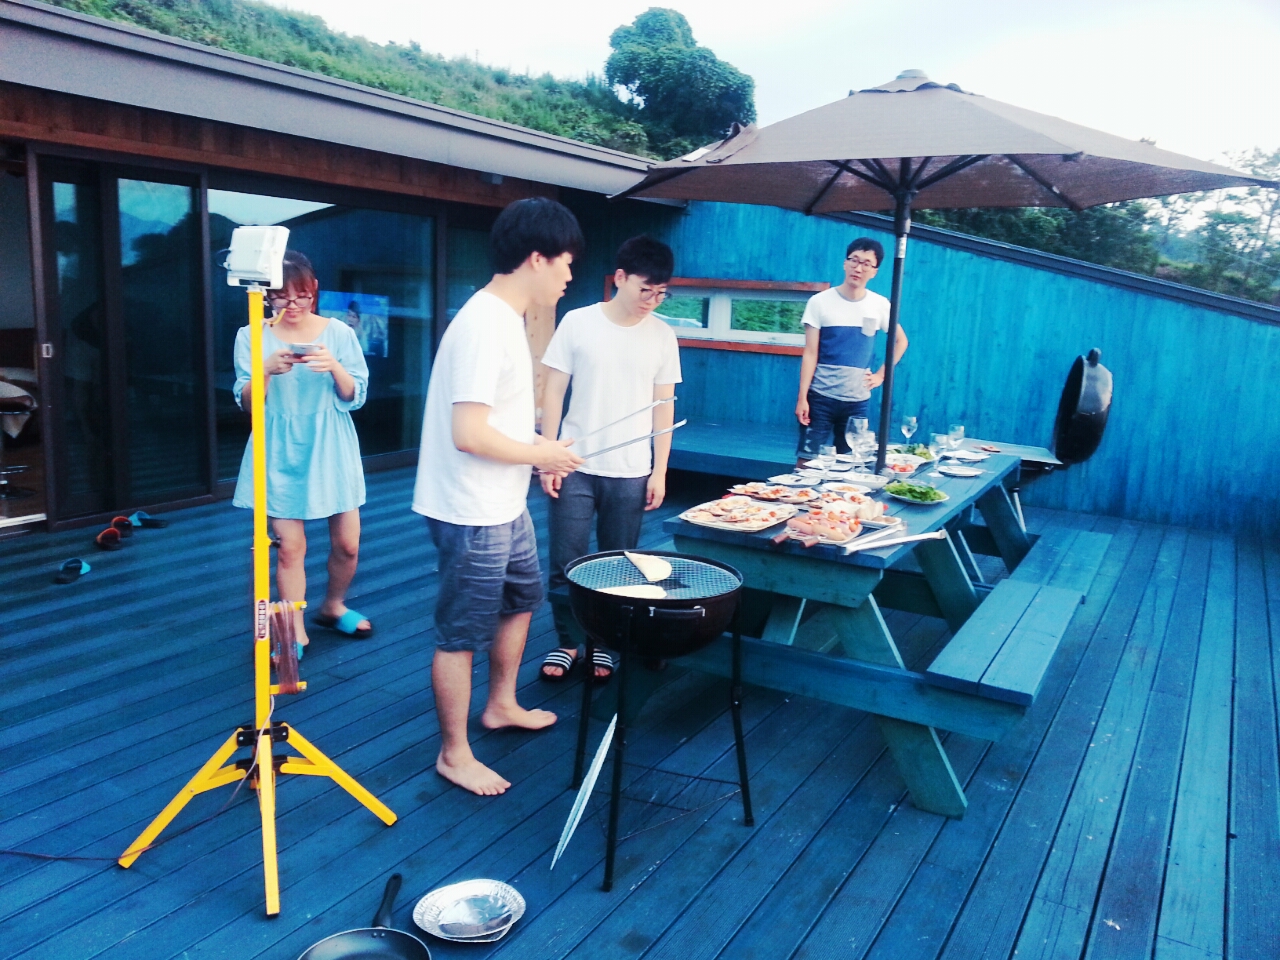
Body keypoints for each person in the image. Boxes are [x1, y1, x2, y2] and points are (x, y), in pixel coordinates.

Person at [412, 197, 585, 797]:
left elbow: (497, 422)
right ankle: (454, 754)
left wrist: (540, 447)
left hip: (503, 502)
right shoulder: (484, 325)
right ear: (537, 258)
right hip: (470, 507)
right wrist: (543, 456)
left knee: (522, 598)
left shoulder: (507, 319)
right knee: (461, 633)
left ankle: (501, 704)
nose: (569, 276)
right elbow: (468, 434)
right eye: (566, 263)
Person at [538, 236, 683, 682]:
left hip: (632, 469)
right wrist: (548, 455)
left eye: (661, 293)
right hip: (574, 464)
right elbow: (553, 392)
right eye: (645, 289)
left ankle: (602, 644)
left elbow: (664, 407)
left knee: (619, 564)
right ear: (620, 278)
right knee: (566, 560)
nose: (652, 301)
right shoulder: (578, 322)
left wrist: (659, 470)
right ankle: (568, 641)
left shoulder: (662, 335)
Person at [232, 250, 372, 652]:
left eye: (302, 296)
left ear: (314, 291)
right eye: (281, 296)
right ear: (267, 296)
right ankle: (294, 629)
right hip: (278, 447)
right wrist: (264, 371)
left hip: (331, 444)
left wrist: (334, 367)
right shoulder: (251, 335)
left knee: (348, 543)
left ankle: (333, 605)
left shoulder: (339, 333)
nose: (292, 305)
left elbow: (356, 395)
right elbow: (248, 403)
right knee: (290, 548)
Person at [795, 238, 908, 467]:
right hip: (820, 397)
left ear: (874, 271)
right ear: (845, 264)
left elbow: (901, 341)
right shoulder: (819, 302)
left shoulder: (880, 305)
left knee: (851, 463)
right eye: (854, 260)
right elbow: (810, 353)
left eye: (866, 263)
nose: (858, 268)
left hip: (857, 401)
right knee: (806, 461)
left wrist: (880, 375)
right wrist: (802, 397)